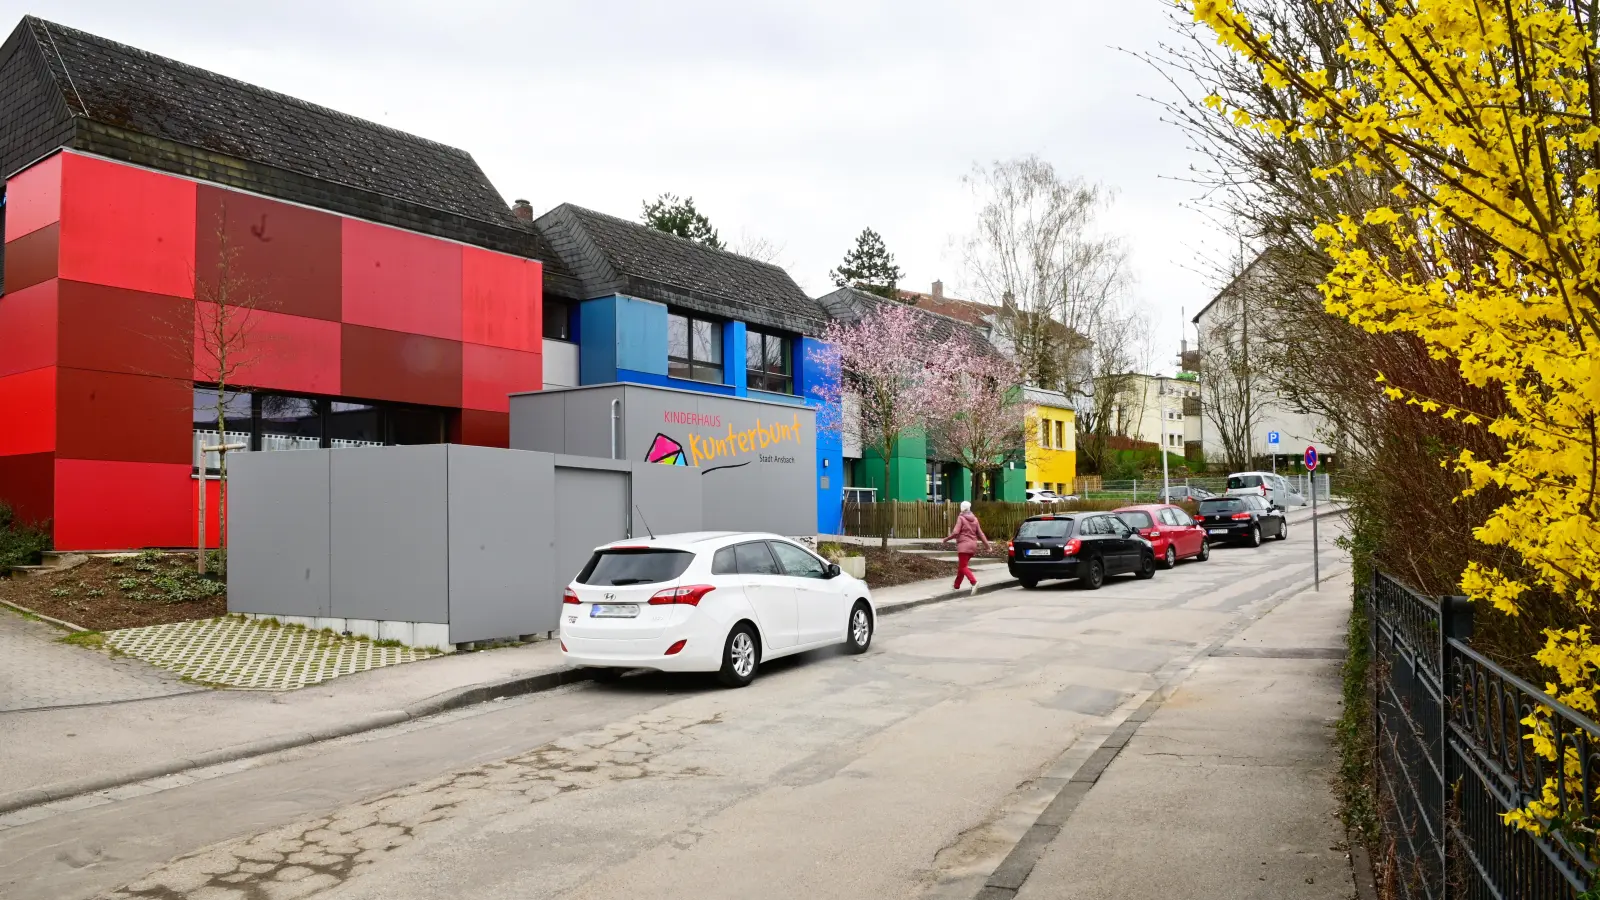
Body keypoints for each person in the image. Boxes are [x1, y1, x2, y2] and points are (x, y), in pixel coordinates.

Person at [942, 500, 991, 594]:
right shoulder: (975, 519)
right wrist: (987, 546)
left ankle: (974, 582)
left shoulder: (961, 518)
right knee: (962, 566)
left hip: (963, 546)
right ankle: (956, 586)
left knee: (963, 567)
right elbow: (981, 534)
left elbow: (955, 532)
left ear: (962, 508)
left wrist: (946, 539)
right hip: (973, 546)